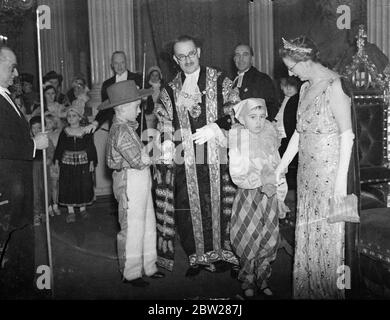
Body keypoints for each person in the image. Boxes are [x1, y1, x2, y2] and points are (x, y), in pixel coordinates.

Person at [275, 36, 360, 299]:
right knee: (308, 233)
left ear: (307, 61)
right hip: (306, 176)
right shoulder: (303, 89)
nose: (290, 73)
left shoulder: (336, 86)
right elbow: (300, 133)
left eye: (292, 67)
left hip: (331, 176)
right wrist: (281, 166)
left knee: (331, 241)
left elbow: (348, 137)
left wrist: (338, 187)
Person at [154, 35, 240, 276]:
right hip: (187, 161)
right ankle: (198, 257)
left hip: (218, 158)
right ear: (175, 59)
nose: (187, 60)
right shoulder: (170, 90)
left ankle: (224, 253)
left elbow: (237, 109)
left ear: (199, 52)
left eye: (191, 54)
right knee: (188, 208)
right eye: (181, 56)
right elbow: (163, 122)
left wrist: (217, 126)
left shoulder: (220, 80)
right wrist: (167, 145)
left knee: (221, 204)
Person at [201, 98, 289, 298]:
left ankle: (263, 276)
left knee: (269, 235)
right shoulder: (238, 136)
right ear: (242, 118)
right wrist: (214, 130)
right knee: (248, 235)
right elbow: (238, 172)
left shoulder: (269, 133)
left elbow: (278, 166)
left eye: (261, 117)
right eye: (253, 117)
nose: (258, 122)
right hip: (249, 195)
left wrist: (280, 194)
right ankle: (247, 279)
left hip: (270, 197)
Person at [103, 80, 164, 287]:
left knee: (147, 222)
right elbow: (140, 161)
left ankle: (149, 265)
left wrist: (153, 146)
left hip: (140, 179)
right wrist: (159, 150)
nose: (139, 111)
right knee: (133, 227)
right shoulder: (120, 131)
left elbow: (141, 157)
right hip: (130, 181)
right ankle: (131, 272)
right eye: (137, 107)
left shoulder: (127, 128)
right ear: (122, 108)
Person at [0, 46, 48, 299]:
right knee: (11, 247)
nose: (16, 72)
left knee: (21, 244)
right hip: (7, 189)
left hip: (18, 187)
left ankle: (23, 289)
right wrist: (33, 144)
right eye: (11, 66)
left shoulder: (5, 95)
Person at [84, 51, 146, 137]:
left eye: (122, 62)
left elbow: (149, 105)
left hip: (137, 128)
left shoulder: (138, 79)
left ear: (126, 63)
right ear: (112, 65)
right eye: (116, 63)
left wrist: (145, 99)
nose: (119, 66)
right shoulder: (107, 84)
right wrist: (95, 123)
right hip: (116, 129)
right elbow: (105, 109)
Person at [53, 105, 97, 223]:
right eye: (69, 116)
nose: (71, 118)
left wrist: (92, 161)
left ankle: (82, 209)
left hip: (83, 163)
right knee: (68, 185)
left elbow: (91, 147)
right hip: (67, 164)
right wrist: (57, 161)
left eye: (74, 116)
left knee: (83, 184)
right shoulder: (64, 132)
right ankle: (71, 211)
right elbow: (60, 148)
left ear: (79, 117)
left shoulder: (86, 131)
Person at [274, 76, 300, 189]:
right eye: (285, 86)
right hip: (280, 136)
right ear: (281, 87)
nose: (288, 89)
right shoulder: (282, 100)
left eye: (292, 86)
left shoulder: (297, 100)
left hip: (290, 136)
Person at [30, 116, 55, 226]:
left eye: (39, 128)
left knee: (46, 188)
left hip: (44, 166)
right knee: (35, 190)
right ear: (30, 129)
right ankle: (36, 213)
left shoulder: (46, 139)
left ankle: (44, 210)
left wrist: (49, 158)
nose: (36, 131)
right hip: (33, 167)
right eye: (34, 128)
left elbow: (51, 149)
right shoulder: (30, 141)